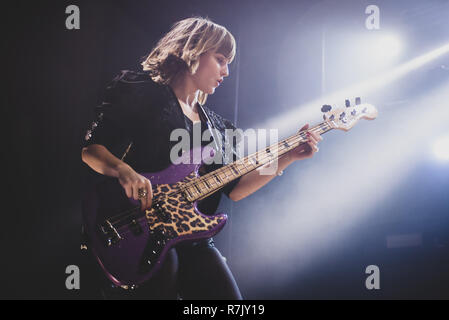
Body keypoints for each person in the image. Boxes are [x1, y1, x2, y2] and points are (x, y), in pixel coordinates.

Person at [81, 16, 322, 300]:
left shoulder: (220, 129)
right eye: (221, 59)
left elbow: (235, 189)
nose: (227, 71)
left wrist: (288, 157)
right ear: (193, 51)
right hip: (132, 226)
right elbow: (92, 150)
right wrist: (123, 170)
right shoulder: (142, 91)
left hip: (192, 237)